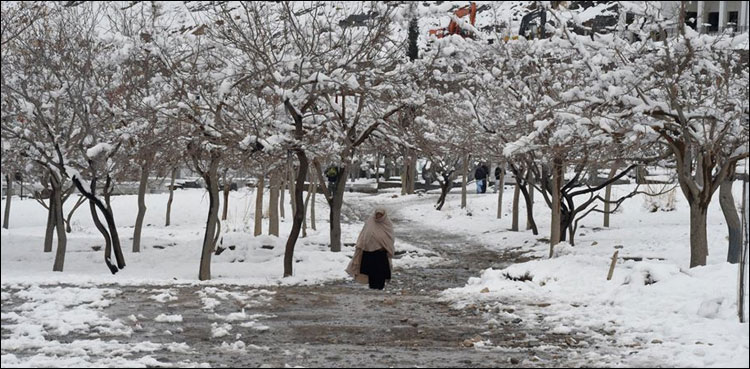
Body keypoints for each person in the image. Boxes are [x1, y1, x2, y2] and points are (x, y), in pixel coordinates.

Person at [346, 207, 395, 290]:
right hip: (369, 252)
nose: (378, 216)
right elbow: (364, 234)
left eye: (380, 215)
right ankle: (372, 286)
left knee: (380, 271)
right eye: (377, 214)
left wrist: (385, 246)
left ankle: (380, 286)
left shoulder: (387, 224)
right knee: (371, 271)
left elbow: (390, 238)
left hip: (381, 253)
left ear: (384, 215)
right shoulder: (370, 222)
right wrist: (362, 244)